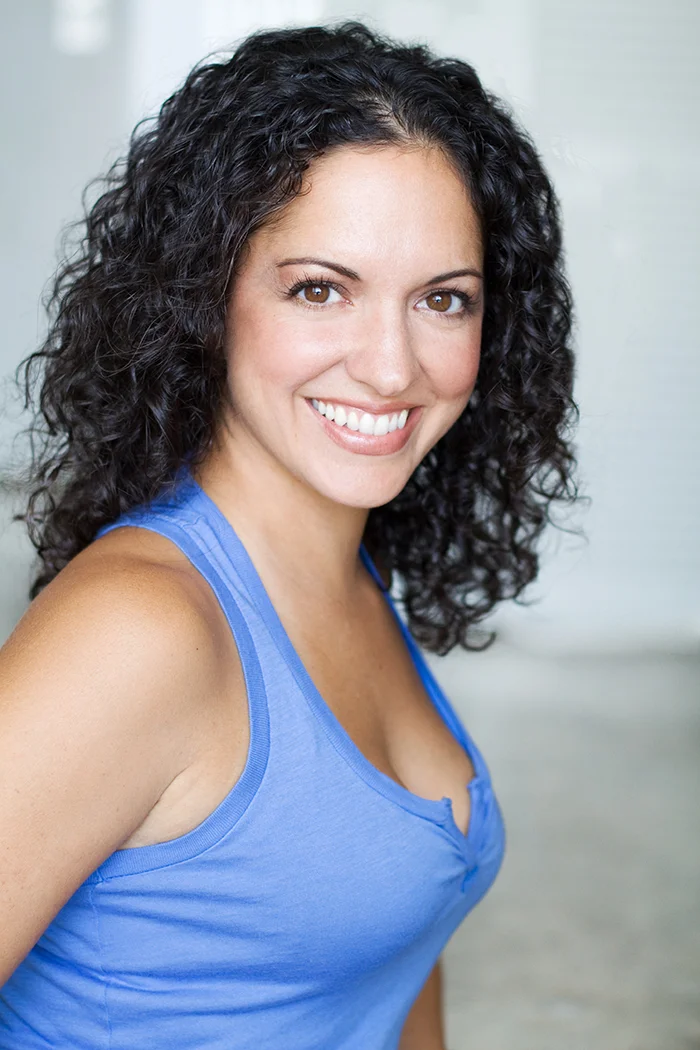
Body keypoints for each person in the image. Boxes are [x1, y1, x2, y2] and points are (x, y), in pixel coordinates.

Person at [0, 20, 578, 1049]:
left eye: (444, 300)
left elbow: (393, 956)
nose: (392, 367)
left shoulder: (347, 576)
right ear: (205, 296)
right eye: (320, 289)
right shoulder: (136, 631)